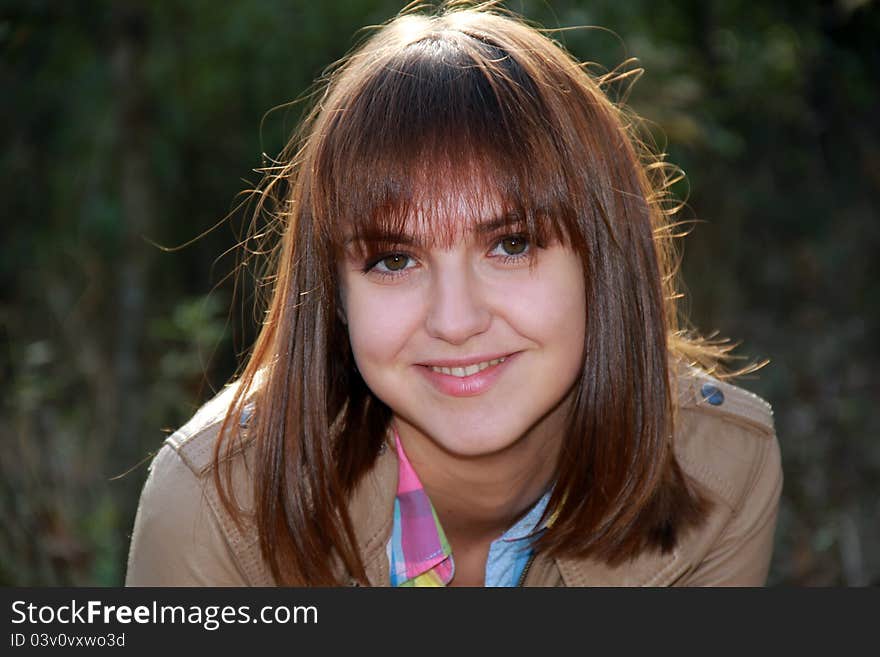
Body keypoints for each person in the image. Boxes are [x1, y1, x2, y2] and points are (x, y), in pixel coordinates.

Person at [125, 2, 782, 587]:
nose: (456, 320)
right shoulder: (213, 509)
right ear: (333, 293)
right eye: (394, 259)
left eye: (511, 245)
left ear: (602, 260)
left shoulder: (719, 471)